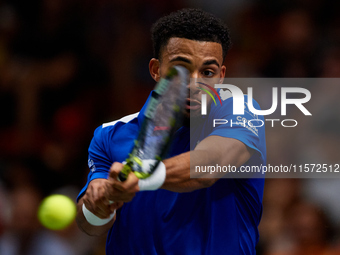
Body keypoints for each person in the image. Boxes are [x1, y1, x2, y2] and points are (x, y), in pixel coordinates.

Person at [76, 8, 266, 255]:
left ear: (221, 76)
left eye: (207, 72)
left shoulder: (241, 110)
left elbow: (209, 164)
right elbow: (89, 225)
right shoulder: (110, 135)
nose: (194, 84)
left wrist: (142, 176)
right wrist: (99, 205)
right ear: (155, 69)